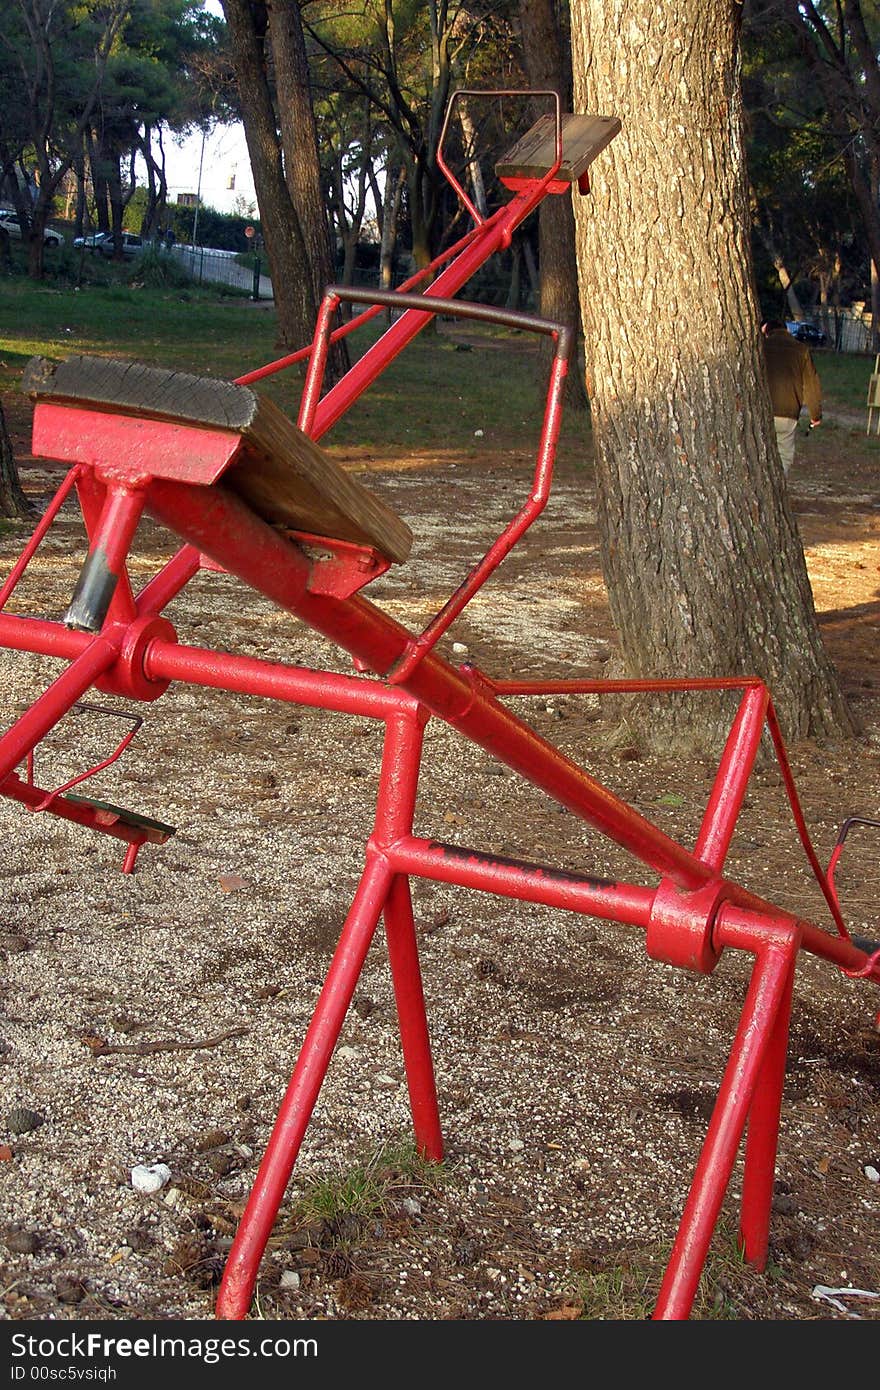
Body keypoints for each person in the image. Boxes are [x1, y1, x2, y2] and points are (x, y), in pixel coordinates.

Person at [760, 319, 822, 475]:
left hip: (762, 410)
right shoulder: (801, 350)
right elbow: (811, 384)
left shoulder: (760, 348)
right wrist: (816, 415)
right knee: (784, 457)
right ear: (786, 330)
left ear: (766, 330)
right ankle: (778, 490)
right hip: (788, 412)